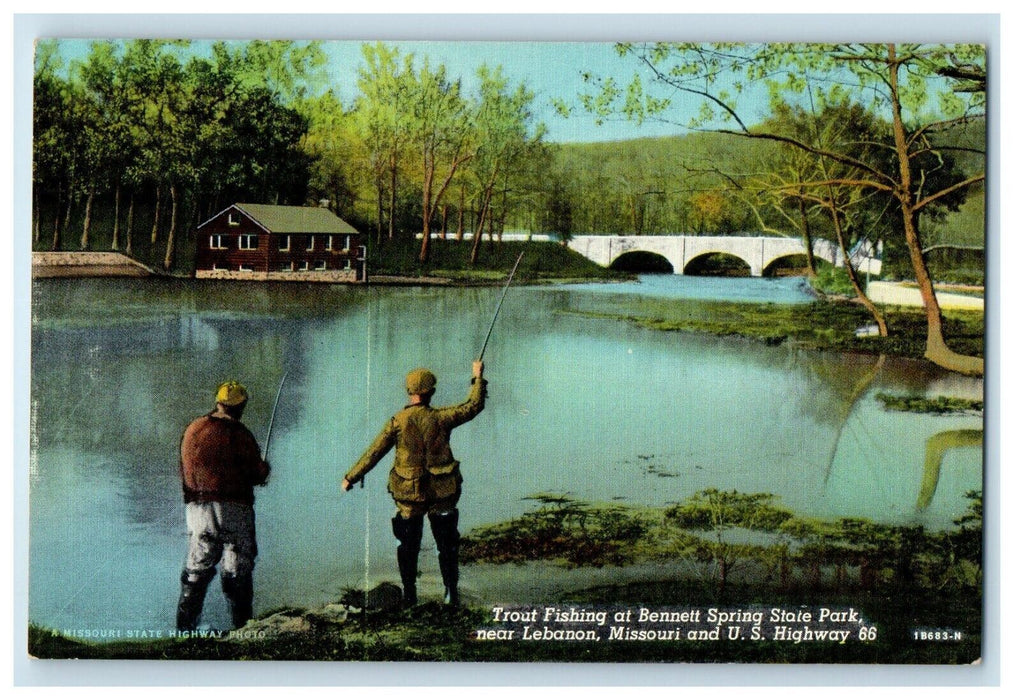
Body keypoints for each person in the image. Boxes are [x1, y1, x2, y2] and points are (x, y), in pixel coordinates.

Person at [342, 361, 487, 607]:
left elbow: (374, 452)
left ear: (409, 392)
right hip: (443, 493)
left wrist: (351, 477)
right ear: (431, 392)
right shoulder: (442, 418)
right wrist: (477, 378)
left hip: (409, 495)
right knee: (447, 546)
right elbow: (473, 405)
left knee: (408, 546)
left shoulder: (397, 421)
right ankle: (450, 593)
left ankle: (410, 595)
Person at [176, 380, 271, 631]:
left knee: (196, 570)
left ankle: (184, 634)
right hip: (234, 510)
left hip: (197, 511)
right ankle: (242, 630)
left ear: (218, 402)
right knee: (237, 569)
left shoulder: (193, 429)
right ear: (240, 406)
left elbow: (185, 470)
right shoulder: (241, 434)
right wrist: (264, 469)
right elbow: (256, 474)